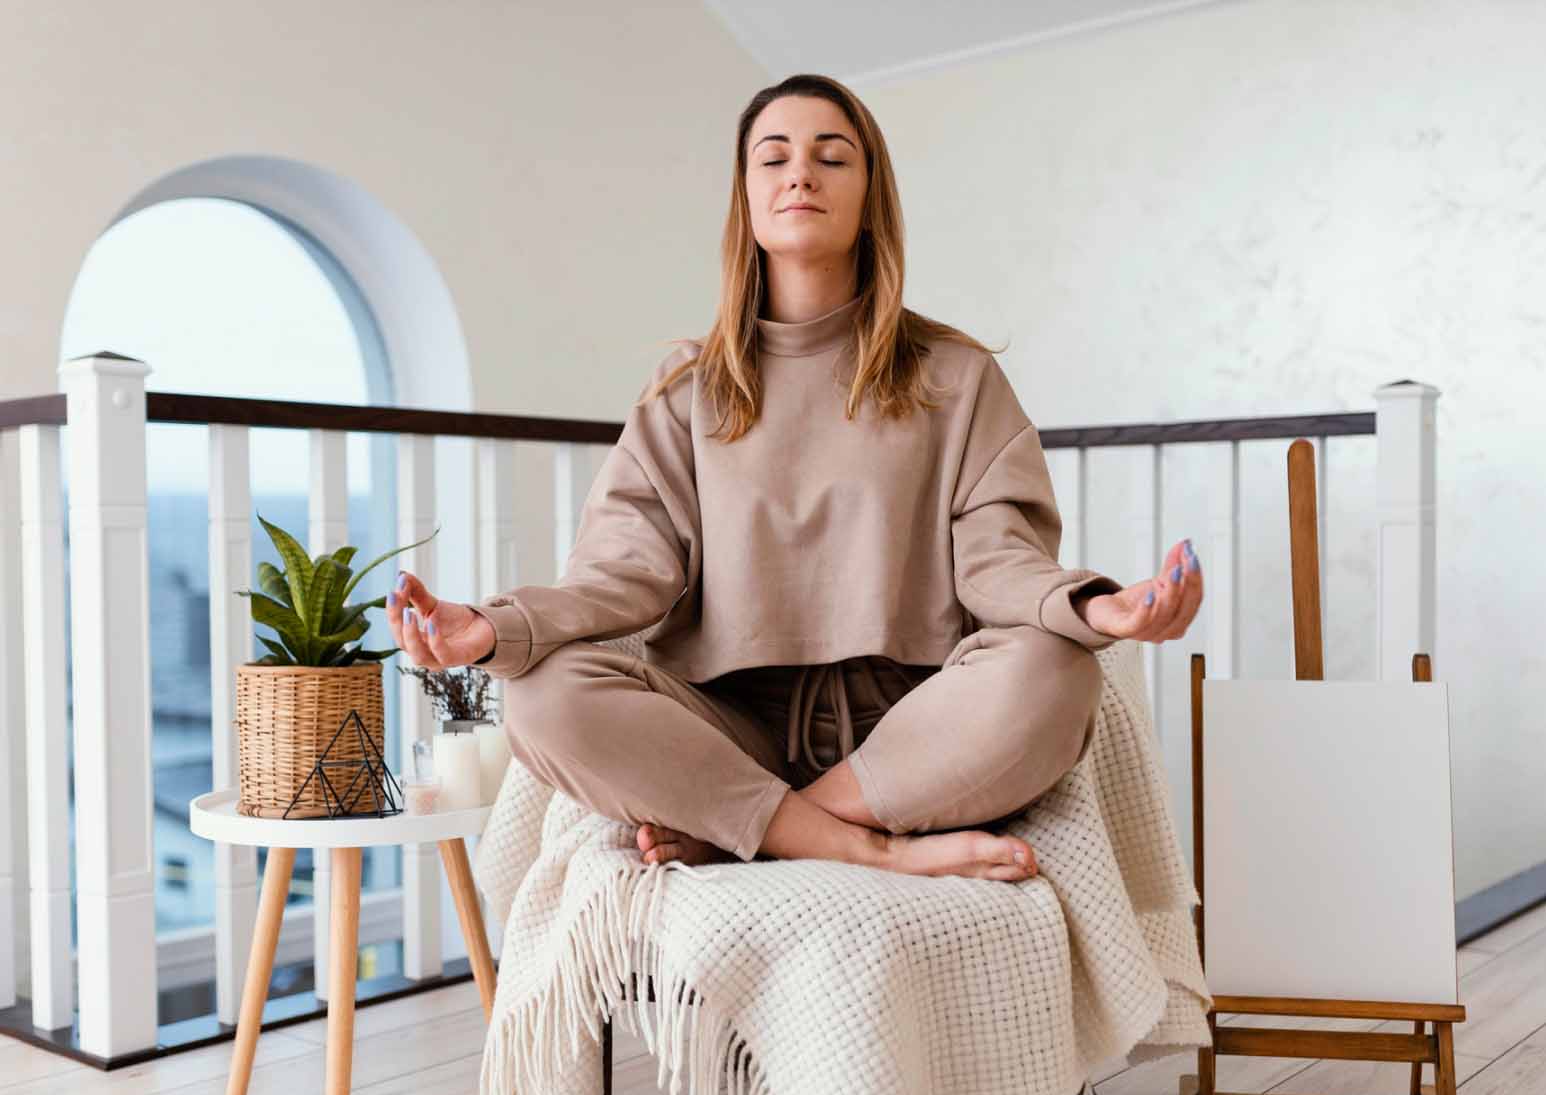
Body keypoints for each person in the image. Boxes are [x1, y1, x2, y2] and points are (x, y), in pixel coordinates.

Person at [385, 74, 1203, 885]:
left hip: (913, 729)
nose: (800, 174)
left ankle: (761, 824)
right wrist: (490, 630)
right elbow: (622, 573)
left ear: (869, 193)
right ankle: (863, 845)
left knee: (1056, 669)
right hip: (732, 722)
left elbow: (1000, 561)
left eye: (831, 157)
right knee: (542, 695)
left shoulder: (956, 375)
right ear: (746, 198)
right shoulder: (687, 389)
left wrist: (1098, 607)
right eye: (772, 158)